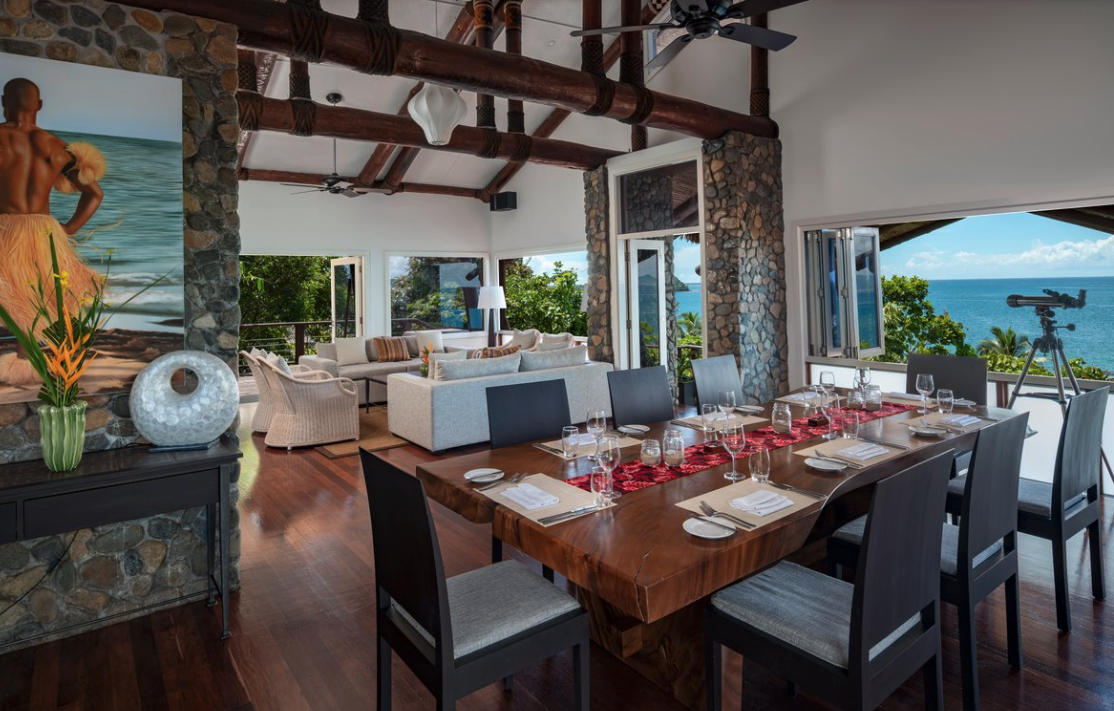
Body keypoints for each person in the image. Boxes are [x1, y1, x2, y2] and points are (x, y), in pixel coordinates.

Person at [0, 77, 106, 386]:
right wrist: (69, 228)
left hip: (5, 226)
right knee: (35, 298)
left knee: (16, 297)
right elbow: (95, 194)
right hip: (43, 230)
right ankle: (27, 363)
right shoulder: (57, 147)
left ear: (3, 102)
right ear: (40, 106)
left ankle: (25, 365)